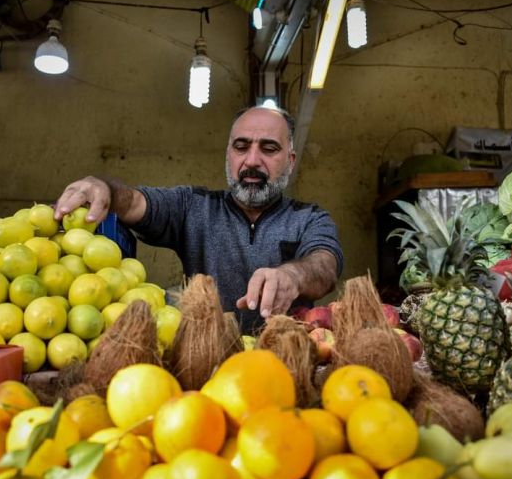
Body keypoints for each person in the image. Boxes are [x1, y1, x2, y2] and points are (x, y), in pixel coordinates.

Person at [54, 106, 344, 332]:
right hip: (205, 362)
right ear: (229, 154)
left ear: (290, 161)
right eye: (241, 147)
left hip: (287, 362)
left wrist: (292, 276)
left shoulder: (310, 218)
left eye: (269, 149)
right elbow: (135, 202)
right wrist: (106, 190)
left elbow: (325, 264)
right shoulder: (194, 207)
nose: (253, 160)